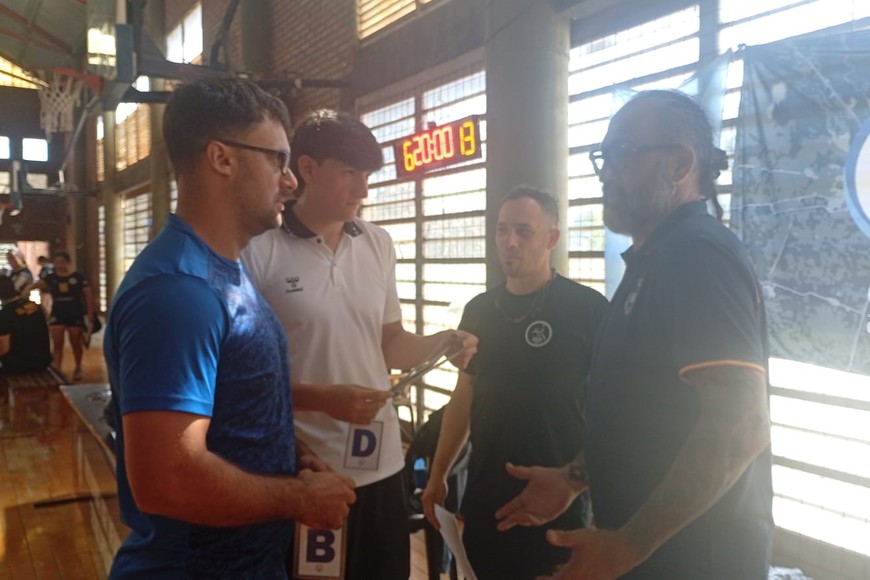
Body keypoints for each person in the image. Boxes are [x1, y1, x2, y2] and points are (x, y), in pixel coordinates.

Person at [494, 90, 773, 579]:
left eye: (623, 154)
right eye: (603, 158)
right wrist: (574, 477)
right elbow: (643, 415)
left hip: (694, 563)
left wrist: (629, 545)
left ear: (680, 164)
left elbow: (740, 423)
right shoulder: (653, 260)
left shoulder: (697, 253)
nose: (606, 174)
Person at [104, 78, 356, 578]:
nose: (291, 181)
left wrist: (294, 456)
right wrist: (300, 498)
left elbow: (237, 408)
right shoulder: (178, 293)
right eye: (278, 160)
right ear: (221, 158)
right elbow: (167, 480)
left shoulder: (226, 270)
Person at [242, 109, 478, 580]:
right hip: (307, 469)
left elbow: (390, 342)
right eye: (350, 173)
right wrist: (321, 401)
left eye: (367, 175)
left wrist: (442, 343)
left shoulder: (377, 243)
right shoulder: (261, 248)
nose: (363, 190)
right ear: (307, 169)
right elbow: (243, 378)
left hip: (382, 463)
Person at [420, 186, 608, 579]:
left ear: (551, 238)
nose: (510, 242)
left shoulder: (587, 309)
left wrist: (583, 483)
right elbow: (464, 396)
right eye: (502, 230)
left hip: (559, 500)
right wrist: (438, 474)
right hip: (487, 494)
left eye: (524, 232)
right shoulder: (479, 311)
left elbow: (615, 409)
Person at [26, 250, 93, 380]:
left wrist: (90, 314)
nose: (59, 265)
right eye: (56, 262)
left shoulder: (78, 277)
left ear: (68, 262)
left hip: (75, 312)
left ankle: (78, 367)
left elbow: (88, 296)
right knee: (57, 343)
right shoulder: (51, 277)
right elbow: (37, 285)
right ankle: (57, 370)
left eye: (62, 262)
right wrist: (26, 291)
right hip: (58, 312)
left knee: (75, 342)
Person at [0, 275, 51, 373]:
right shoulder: (34, 305)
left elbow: (3, 349)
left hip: (20, 365)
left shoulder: (5, 314)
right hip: (43, 360)